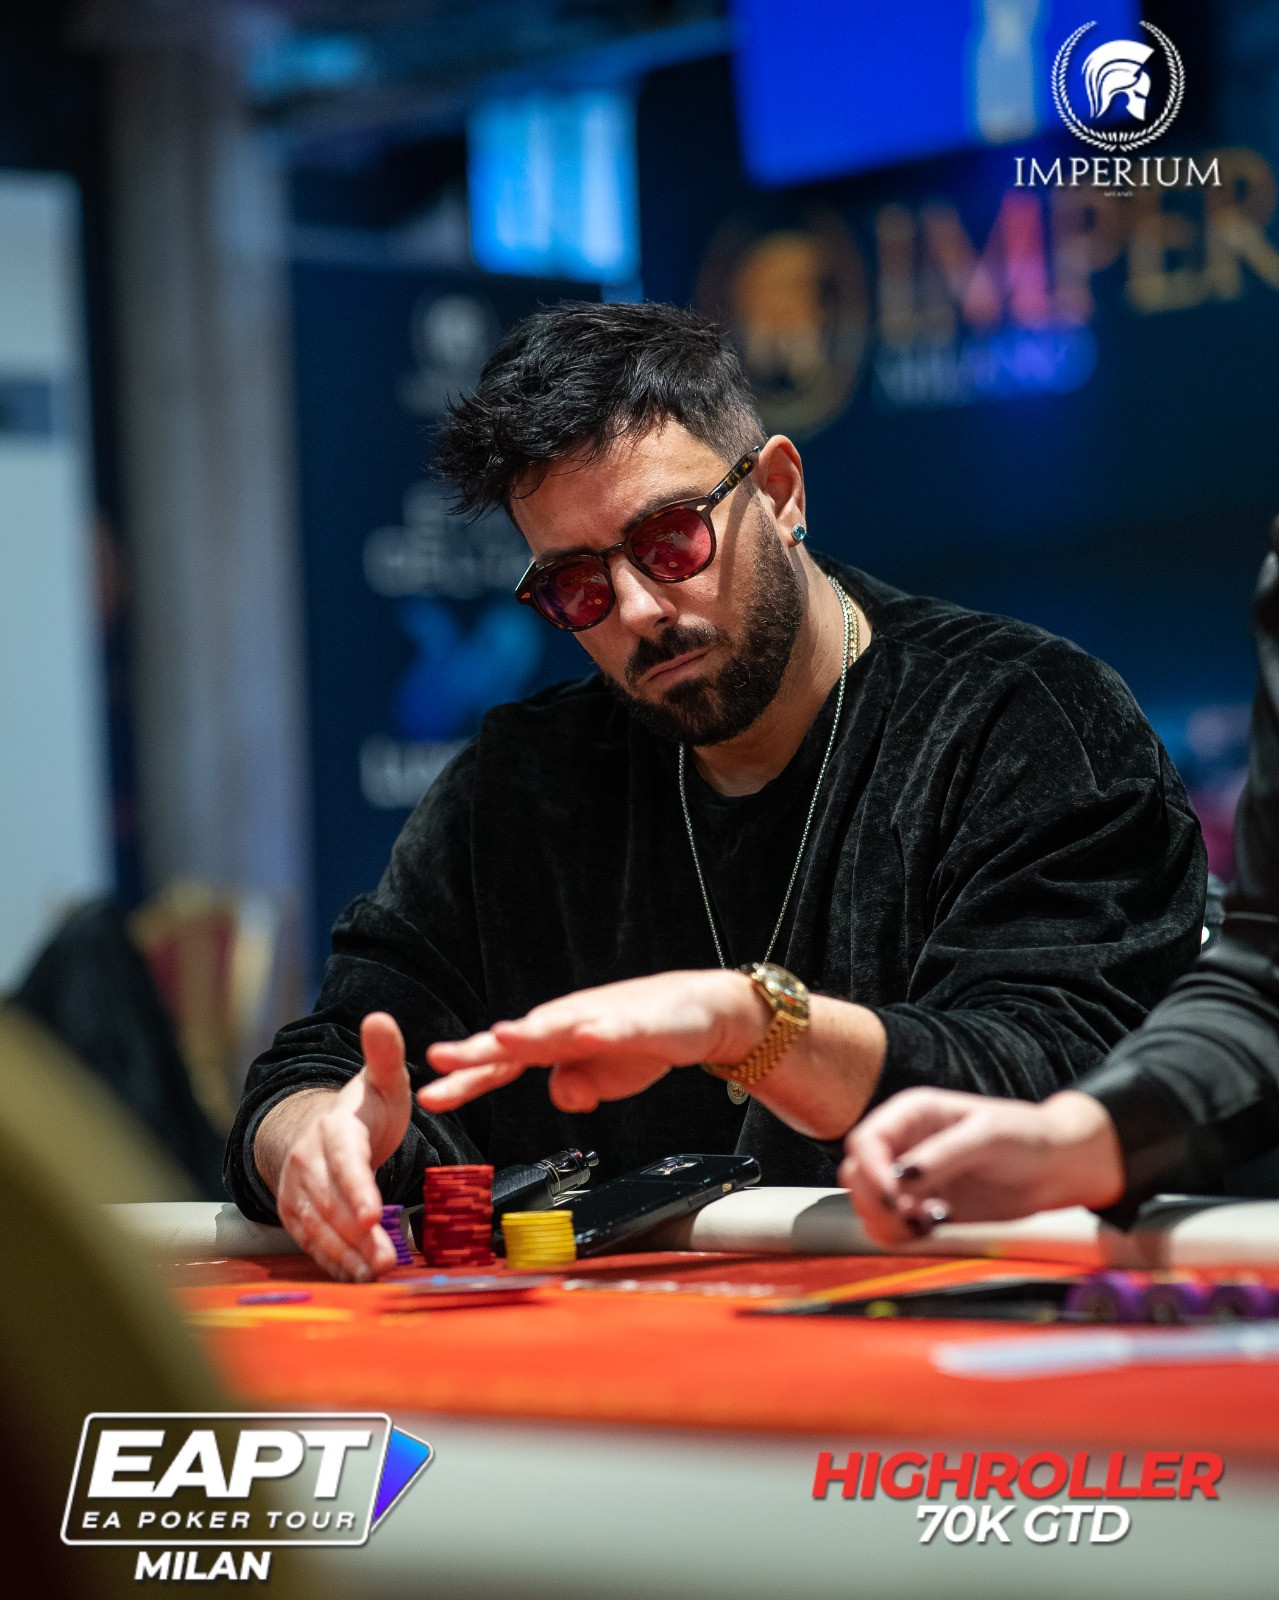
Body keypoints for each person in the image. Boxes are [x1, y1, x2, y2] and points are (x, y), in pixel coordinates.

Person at [224, 300, 1205, 1281]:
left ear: (779, 491)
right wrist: (314, 1138)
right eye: (576, 586)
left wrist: (752, 1028)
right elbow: (330, 1065)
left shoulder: (1021, 720)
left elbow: (1055, 1081)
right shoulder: (517, 788)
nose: (636, 610)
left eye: (669, 541)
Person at [841, 526, 1279, 1243]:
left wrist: (762, 1022)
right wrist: (1062, 1144)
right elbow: (1266, 984)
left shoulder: (1030, 705)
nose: (648, 609)